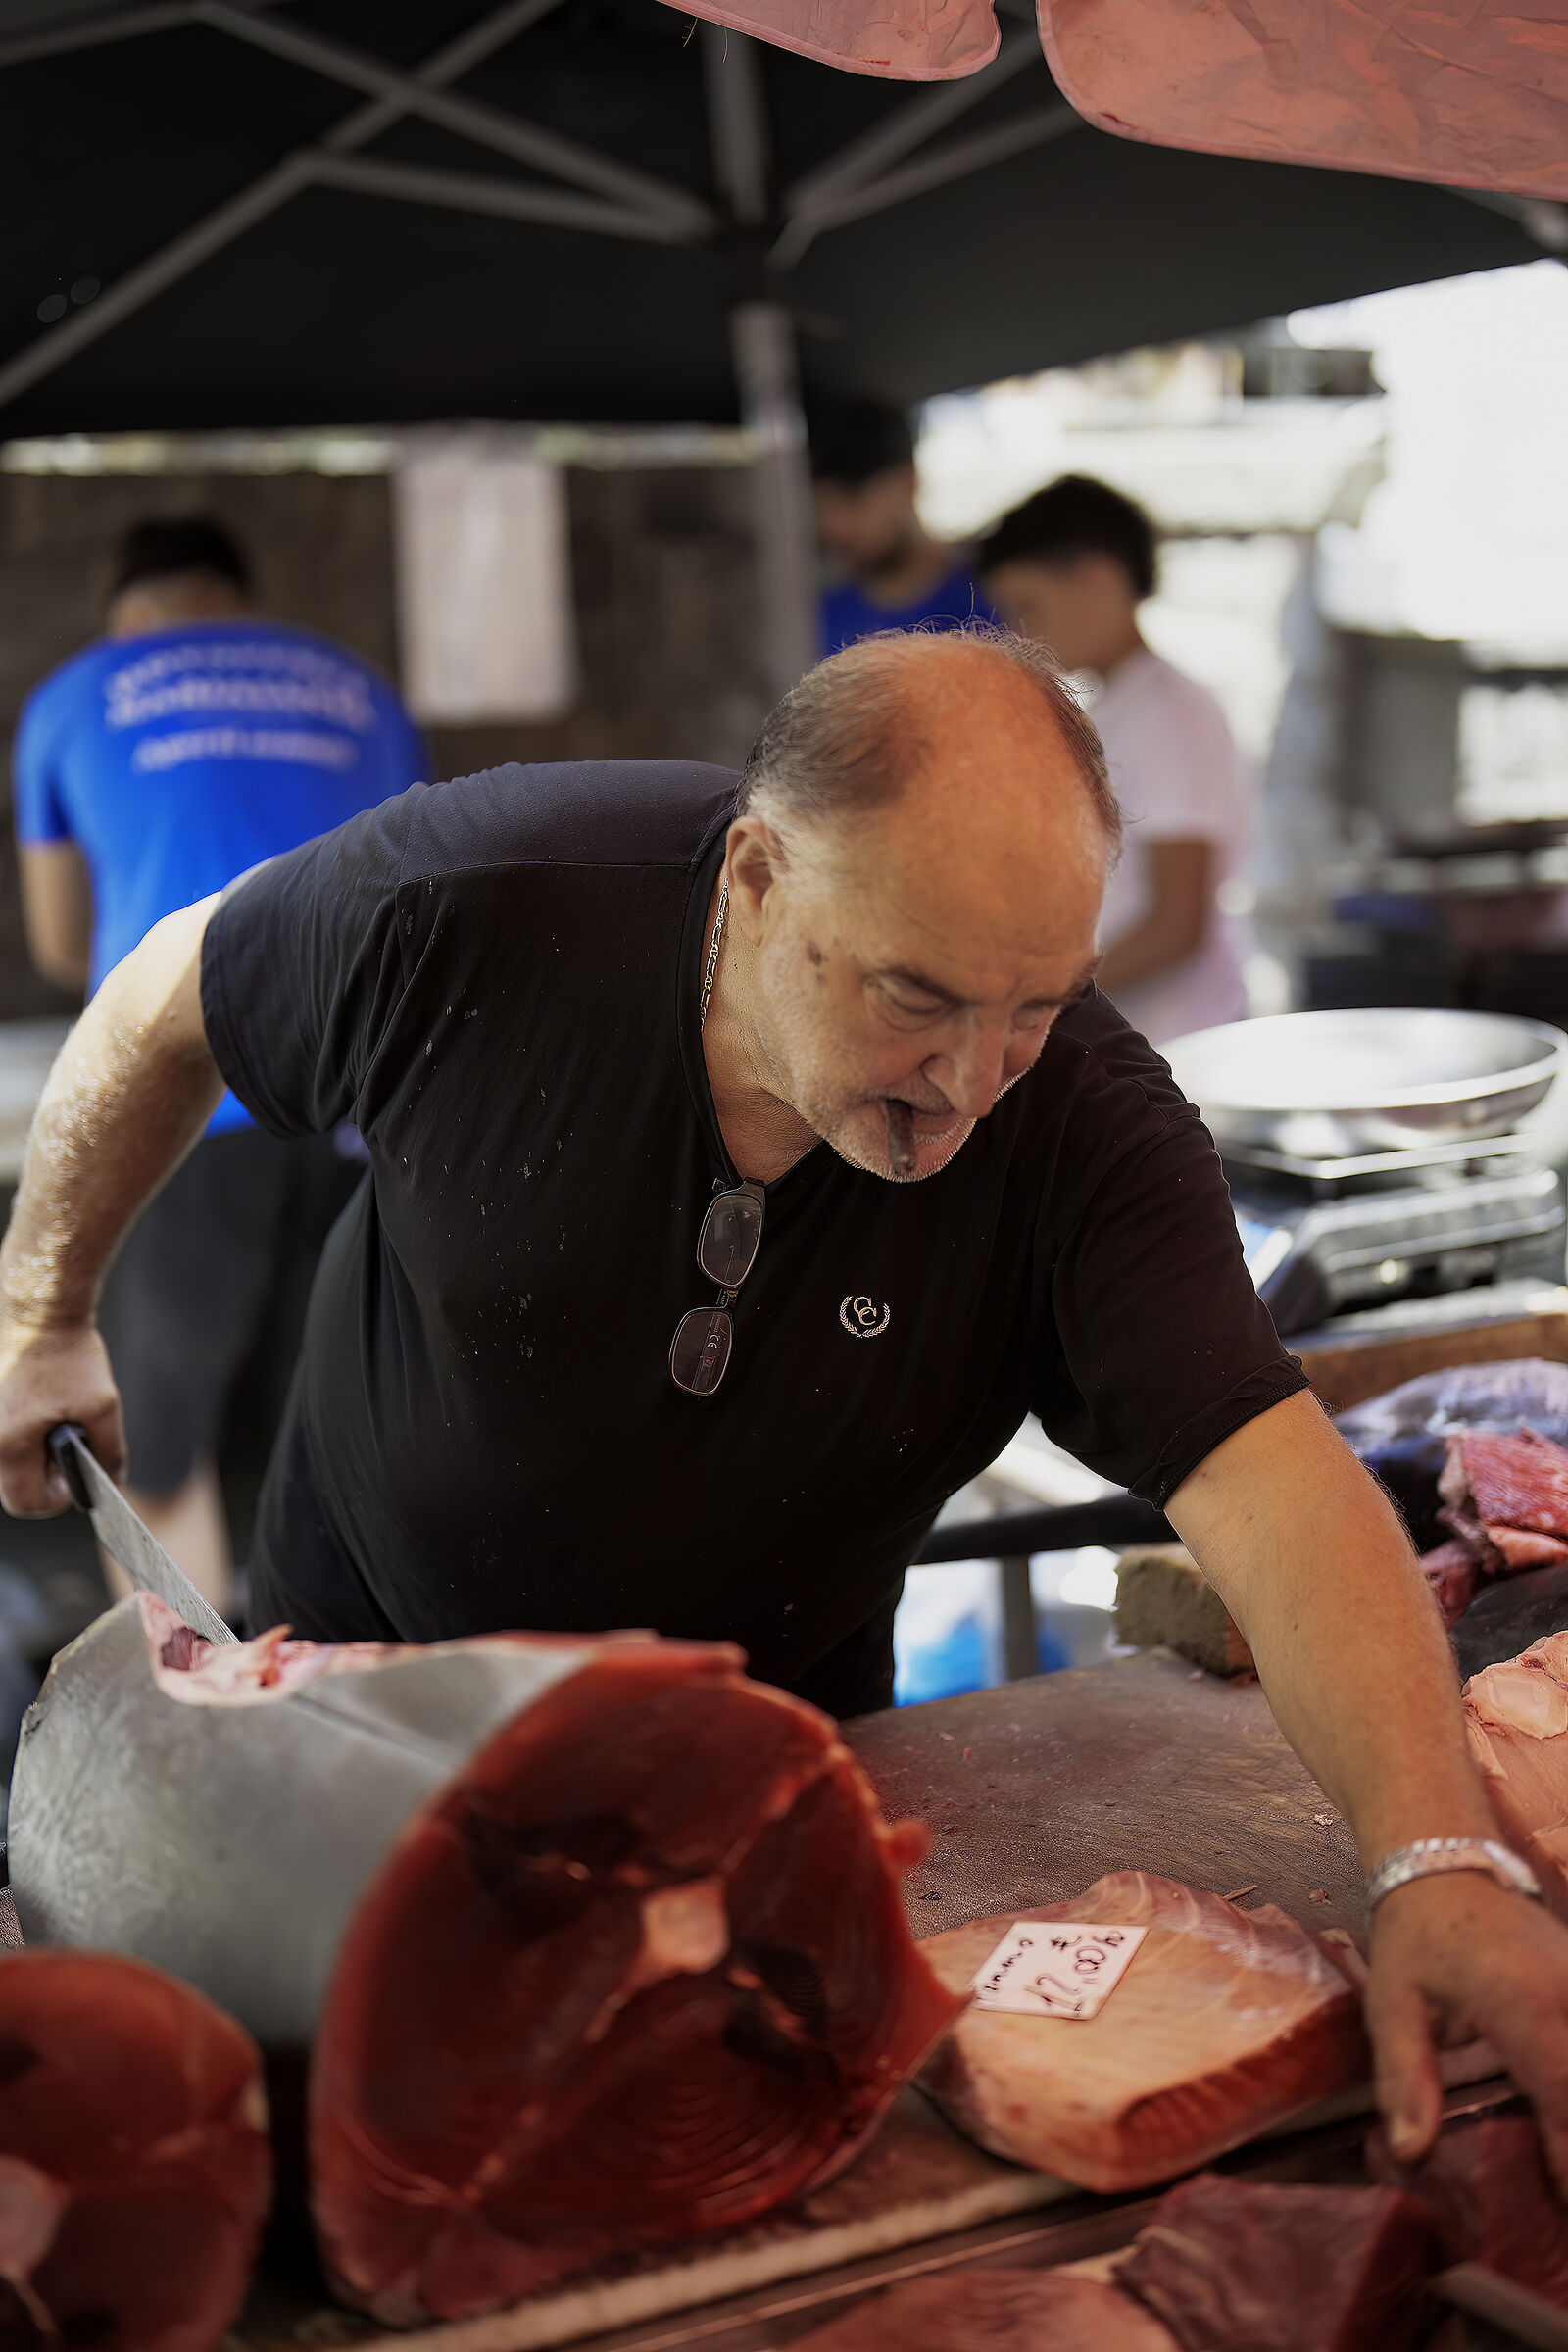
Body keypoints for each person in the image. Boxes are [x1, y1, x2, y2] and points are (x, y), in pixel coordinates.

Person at [2, 628, 1568, 2183]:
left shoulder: (1084, 1124)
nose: (972, 1082)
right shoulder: (477, 902)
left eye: (1034, 1007)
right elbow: (162, 1000)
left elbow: (1274, 1485)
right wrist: (44, 1312)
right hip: (360, 1688)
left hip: (760, 1766)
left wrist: (1437, 1859)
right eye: (917, 996)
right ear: (756, 877)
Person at [11, 514, 427, 1611]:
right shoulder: (361, 689)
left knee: (152, 1446)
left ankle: (196, 1691)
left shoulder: (75, 697)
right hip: (367, 1102)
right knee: (341, 1432)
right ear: (239, 596)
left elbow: (61, 943)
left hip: (185, 1100)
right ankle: (339, 1682)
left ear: (131, 611)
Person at [978, 475, 1248, 1045]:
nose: (1019, 634)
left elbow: (1178, 924)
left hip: (1174, 1042)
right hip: (1127, 1034)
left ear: (1099, 579)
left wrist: (1040, 1006)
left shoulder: (1171, 712)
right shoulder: (1113, 708)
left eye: (1028, 606)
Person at [813, 402, 998, 657]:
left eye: (851, 497)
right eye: (821, 507)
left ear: (909, 481)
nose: (833, 526)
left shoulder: (994, 596)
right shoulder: (819, 618)